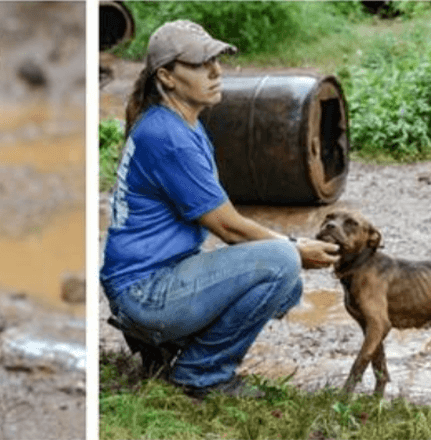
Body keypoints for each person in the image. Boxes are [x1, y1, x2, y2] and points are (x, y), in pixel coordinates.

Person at [100, 20, 340, 398]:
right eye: (199, 65)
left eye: (216, 60)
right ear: (167, 77)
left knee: (286, 281)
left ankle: (168, 346)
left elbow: (223, 218)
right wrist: (295, 245)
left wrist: (290, 248)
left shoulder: (181, 122)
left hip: (151, 281)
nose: (215, 72)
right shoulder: (170, 137)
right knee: (282, 263)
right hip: (146, 292)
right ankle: (201, 373)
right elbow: (229, 228)